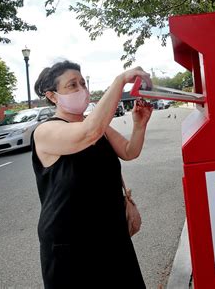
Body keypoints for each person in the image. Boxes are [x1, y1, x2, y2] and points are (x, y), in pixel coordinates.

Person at [32, 60, 153, 288]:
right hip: (70, 245)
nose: (81, 90)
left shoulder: (98, 126)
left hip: (110, 233)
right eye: (72, 85)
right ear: (52, 96)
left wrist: (139, 125)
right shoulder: (46, 131)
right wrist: (120, 81)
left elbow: (129, 151)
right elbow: (88, 134)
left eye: (82, 83)